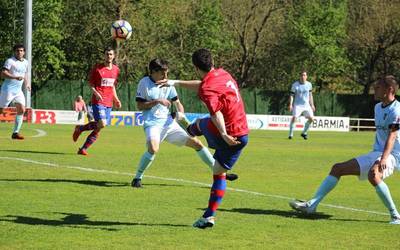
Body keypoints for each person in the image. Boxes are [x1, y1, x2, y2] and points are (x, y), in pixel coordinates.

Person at [289, 75, 400, 225]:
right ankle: (311, 206)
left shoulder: (397, 109)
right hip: (378, 153)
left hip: (393, 154)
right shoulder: (377, 107)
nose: (375, 89)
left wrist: (384, 159)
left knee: (374, 175)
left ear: (389, 90)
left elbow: (392, 136)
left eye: (378, 87)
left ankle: (395, 216)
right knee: (337, 168)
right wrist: (378, 156)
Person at [166, 48, 249, 229]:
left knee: (197, 126)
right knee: (218, 172)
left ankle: (183, 121)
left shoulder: (207, 88)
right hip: (243, 135)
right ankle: (208, 216)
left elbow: (215, 113)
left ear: (196, 67)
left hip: (226, 131)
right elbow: (203, 84)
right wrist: (175, 82)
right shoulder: (223, 73)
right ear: (212, 61)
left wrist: (224, 134)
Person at [131, 58, 238, 188]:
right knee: (153, 149)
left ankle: (222, 174)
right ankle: (137, 178)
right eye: (162, 73)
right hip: (152, 124)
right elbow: (139, 105)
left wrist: (180, 113)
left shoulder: (168, 84)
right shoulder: (144, 83)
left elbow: (178, 103)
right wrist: (157, 101)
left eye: (167, 73)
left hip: (169, 124)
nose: (165, 76)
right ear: (153, 72)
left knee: (197, 144)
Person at [72, 47, 122, 155]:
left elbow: (113, 86)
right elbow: (91, 84)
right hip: (98, 101)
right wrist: (96, 94)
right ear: (104, 56)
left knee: (99, 128)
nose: (108, 56)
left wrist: (116, 99)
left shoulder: (116, 70)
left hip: (109, 102)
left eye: (110, 54)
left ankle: (83, 147)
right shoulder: (98, 69)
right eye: (107, 54)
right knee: (102, 124)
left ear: (113, 56)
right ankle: (80, 129)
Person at [0, 44, 30, 140]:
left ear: (24, 52)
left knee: (22, 109)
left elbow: (25, 73)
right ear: (14, 51)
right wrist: (15, 77)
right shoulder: (10, 61)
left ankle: (15, 133)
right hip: (7, 90)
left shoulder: (26, 62)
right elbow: (3, 73)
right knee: (1, 110)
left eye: (21, 51)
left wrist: (27, 83)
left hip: (18, 91)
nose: (19, 52)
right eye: (17, 50)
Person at [288, 71, 315, 140]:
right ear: (299, 76)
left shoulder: (309, 84)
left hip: (306, 105)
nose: (303, 77)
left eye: (304, 75)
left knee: (311, 119)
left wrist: (312, 104)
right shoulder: (295, 85)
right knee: (294, 118)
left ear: (306, 76)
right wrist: (291, 104)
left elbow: (310, 95)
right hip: (298, 105)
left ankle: (304, 133)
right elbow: (291, 95)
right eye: (302, 75)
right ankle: (290, 134)